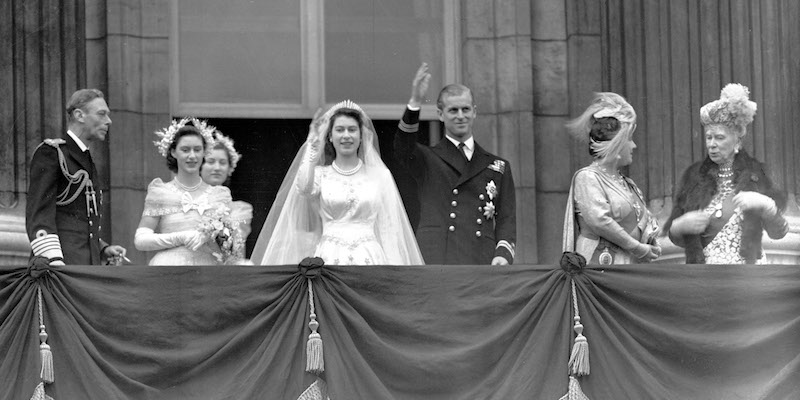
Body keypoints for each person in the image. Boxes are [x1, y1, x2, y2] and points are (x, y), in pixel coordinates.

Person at [251, 100, 424, 266]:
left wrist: (393, 266)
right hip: (330, 256)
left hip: (370, 257)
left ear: (361, 136)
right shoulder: (321, 174)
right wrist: (312, 145)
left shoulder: (380, 176)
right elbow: (303, 188)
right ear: (331, 137)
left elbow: (389, 226)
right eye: (340, 130)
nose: (346, 135)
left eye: (352, 130)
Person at [393, 63, 516, 265]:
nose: (460, 116)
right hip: (438, 258)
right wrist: (415, 101)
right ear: (441, 114)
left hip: (480, 259)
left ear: (474, 112)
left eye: (465, 109)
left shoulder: (497, 165)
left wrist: (503, 254)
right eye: (453, 110)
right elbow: (402, 147)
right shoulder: (427, 158)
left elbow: (507, 218)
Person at [664, 84, 788, 264]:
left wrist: (767, 205)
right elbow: (677, 239)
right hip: (706, 280)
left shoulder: (757, 174)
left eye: (719, 137)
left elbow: (779, 233)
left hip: (748, 279)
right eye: (708, 137)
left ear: (737, 140)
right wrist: (677, 226)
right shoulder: (693, 177)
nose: (711, 144)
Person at [25, 88, 127, 266]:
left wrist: (101, 248)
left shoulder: (85, 158)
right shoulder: (52, 153)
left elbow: (79, 220)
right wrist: (54, 260)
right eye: (101, 114)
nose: (108, 121)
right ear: (80, 115)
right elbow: (39, 215)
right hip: (61, 266)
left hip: (86, 267)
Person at [561, 92, 660, 264]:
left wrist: (652, 241)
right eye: (629, 139)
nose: (634, 146)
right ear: (617, 145)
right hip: (599, 264)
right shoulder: (587, 178)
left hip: (627, 264)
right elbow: (600, 221)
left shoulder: (628, 184)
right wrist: (637, 248)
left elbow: (644, 220)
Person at [134, 118, 240, 265]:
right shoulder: (161, 192)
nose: (192, 156)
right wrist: (180, 237)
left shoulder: (219, 195)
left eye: (197, 150)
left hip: (208, 271)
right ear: (173, 152)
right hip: (169, 269)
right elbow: (141, 239)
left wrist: (211, 235)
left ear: (204, 152)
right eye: (185, 150)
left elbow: (231, 242)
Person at [201, 131, 253, 258]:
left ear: (229, 168)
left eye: (223, 163)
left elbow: (234, 246)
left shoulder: (241, 209)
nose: (217, 167)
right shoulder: (188, 202)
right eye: (211, 161)